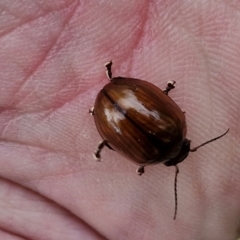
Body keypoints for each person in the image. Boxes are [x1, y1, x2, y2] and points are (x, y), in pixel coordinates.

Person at [0, 1, 238, 239]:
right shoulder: (144, 157)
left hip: (122, 95)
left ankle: (120, 91)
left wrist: (165, 92)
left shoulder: (177, 126)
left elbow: (162, 103)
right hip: (111, 110)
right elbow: (121, 138)